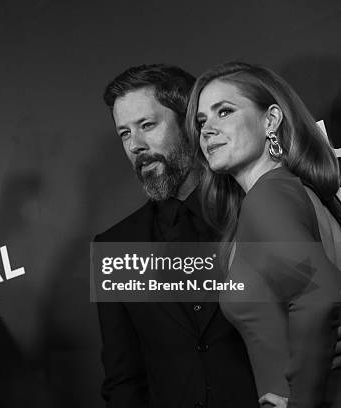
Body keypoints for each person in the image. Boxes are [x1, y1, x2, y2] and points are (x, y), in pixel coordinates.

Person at [96, 64, 259, 407]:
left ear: (189, 123)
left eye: (147, 125)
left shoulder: (258, 208)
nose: (136, 146)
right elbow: (124, 380)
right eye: (124, 133)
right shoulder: (115, 247)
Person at [186, 61, 341, 408]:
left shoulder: (268, 196)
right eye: (201, 122)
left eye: (224, 111)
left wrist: (302, 403)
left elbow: (320, 294)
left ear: (270, 120)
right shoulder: (294, 191)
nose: (207, 130)